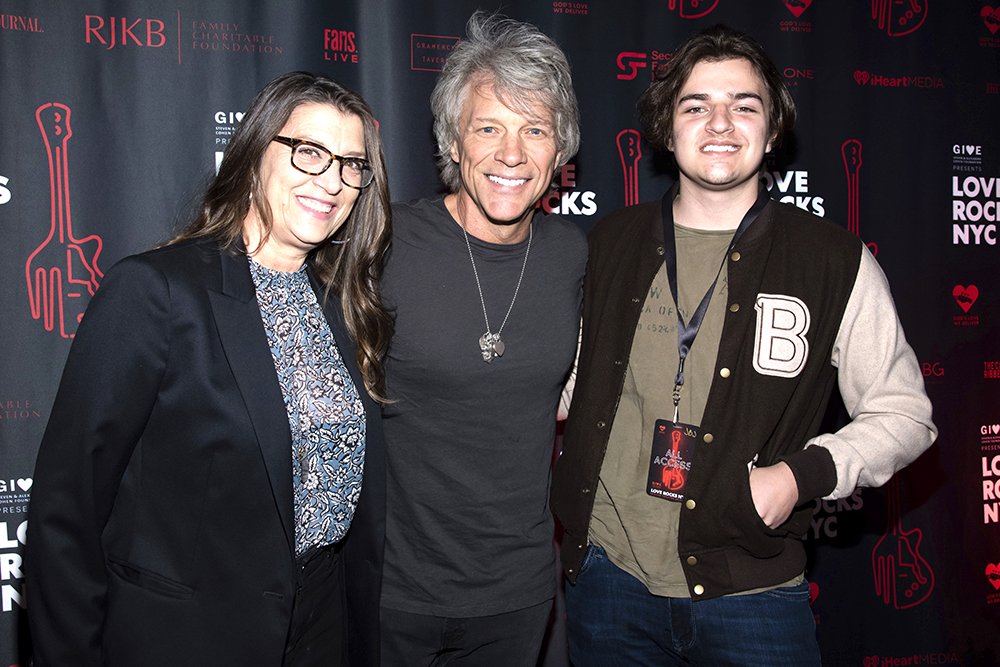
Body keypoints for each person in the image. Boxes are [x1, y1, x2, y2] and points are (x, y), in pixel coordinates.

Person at [550, 24, 937, 666]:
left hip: (751, 593)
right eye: (696, 105)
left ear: (773, 128)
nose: (720, 123)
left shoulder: (832, 261)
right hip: (607, 580)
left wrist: (800, 474)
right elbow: (564, 381)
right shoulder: (603, 245)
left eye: (744, 105)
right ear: (666, 128)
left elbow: (905, 415)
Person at [25, 71, 391, 667]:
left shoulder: (345, 306)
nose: (333, 181)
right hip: (185, 637)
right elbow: (67, 509)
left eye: (352, 164)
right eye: (309, 153)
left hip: (321, 628)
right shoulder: (155, 292)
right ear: (253, 157)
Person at [378, 11, 586, 667]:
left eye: (535, 130)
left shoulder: (573, 255)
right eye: (489, 127)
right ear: (453, 140)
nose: (512, 153)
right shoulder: (382, 243)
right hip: (390, 590)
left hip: (518, 595)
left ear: (561, 148)